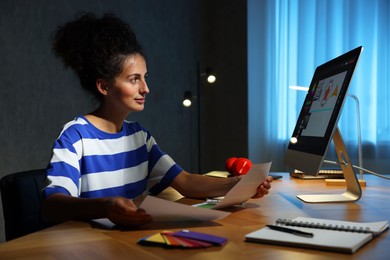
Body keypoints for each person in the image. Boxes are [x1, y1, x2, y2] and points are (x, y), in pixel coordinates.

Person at [41, 12, 272, 227]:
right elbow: (53, 204)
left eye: (145, 78)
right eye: (134, 79)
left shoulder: (140, 138)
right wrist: (106, 206)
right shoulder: (75, 136)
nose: (146, 88)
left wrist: (239, 184)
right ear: (104, 86)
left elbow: (186, 182)